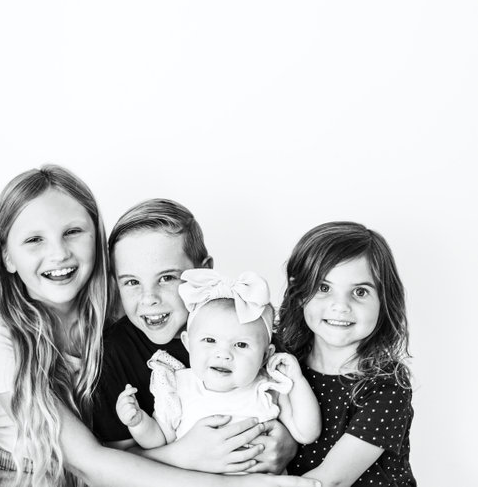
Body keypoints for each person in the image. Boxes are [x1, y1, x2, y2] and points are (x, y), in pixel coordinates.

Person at [0, 166, 316, 487]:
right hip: (6, 474)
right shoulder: (4, 340)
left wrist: (280, 436)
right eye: (34, 239)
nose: (58, 253)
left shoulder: (129, 303)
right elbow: (90, 462)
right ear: (7, 256)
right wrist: (220, 473)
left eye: (73, 231)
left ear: (97, 241)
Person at [91, 199, 298, 474]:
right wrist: (183, 455)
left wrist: (288, 445)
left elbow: (290, 406)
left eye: (166, 278)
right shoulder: (112, 354)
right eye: (132, 282)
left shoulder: (246, 327)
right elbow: (115, 461)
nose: (149, 298)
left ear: (204, 271)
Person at [276, 221, 416, 487]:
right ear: (299, 294)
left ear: (384, 300)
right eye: (324, 288)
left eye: (360, 292)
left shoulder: (386, 386)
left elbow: (331, 481)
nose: (340, 306)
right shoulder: (282, 365)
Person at [116, 269, 322, 449]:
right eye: (209, 340)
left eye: (241, 345)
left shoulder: (267, 386)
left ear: (265, 355)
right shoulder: (179, 387)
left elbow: (307, 433)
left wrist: (297, 380)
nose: (223, 354)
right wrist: (138, 422)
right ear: (188, 343)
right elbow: (159, 440)